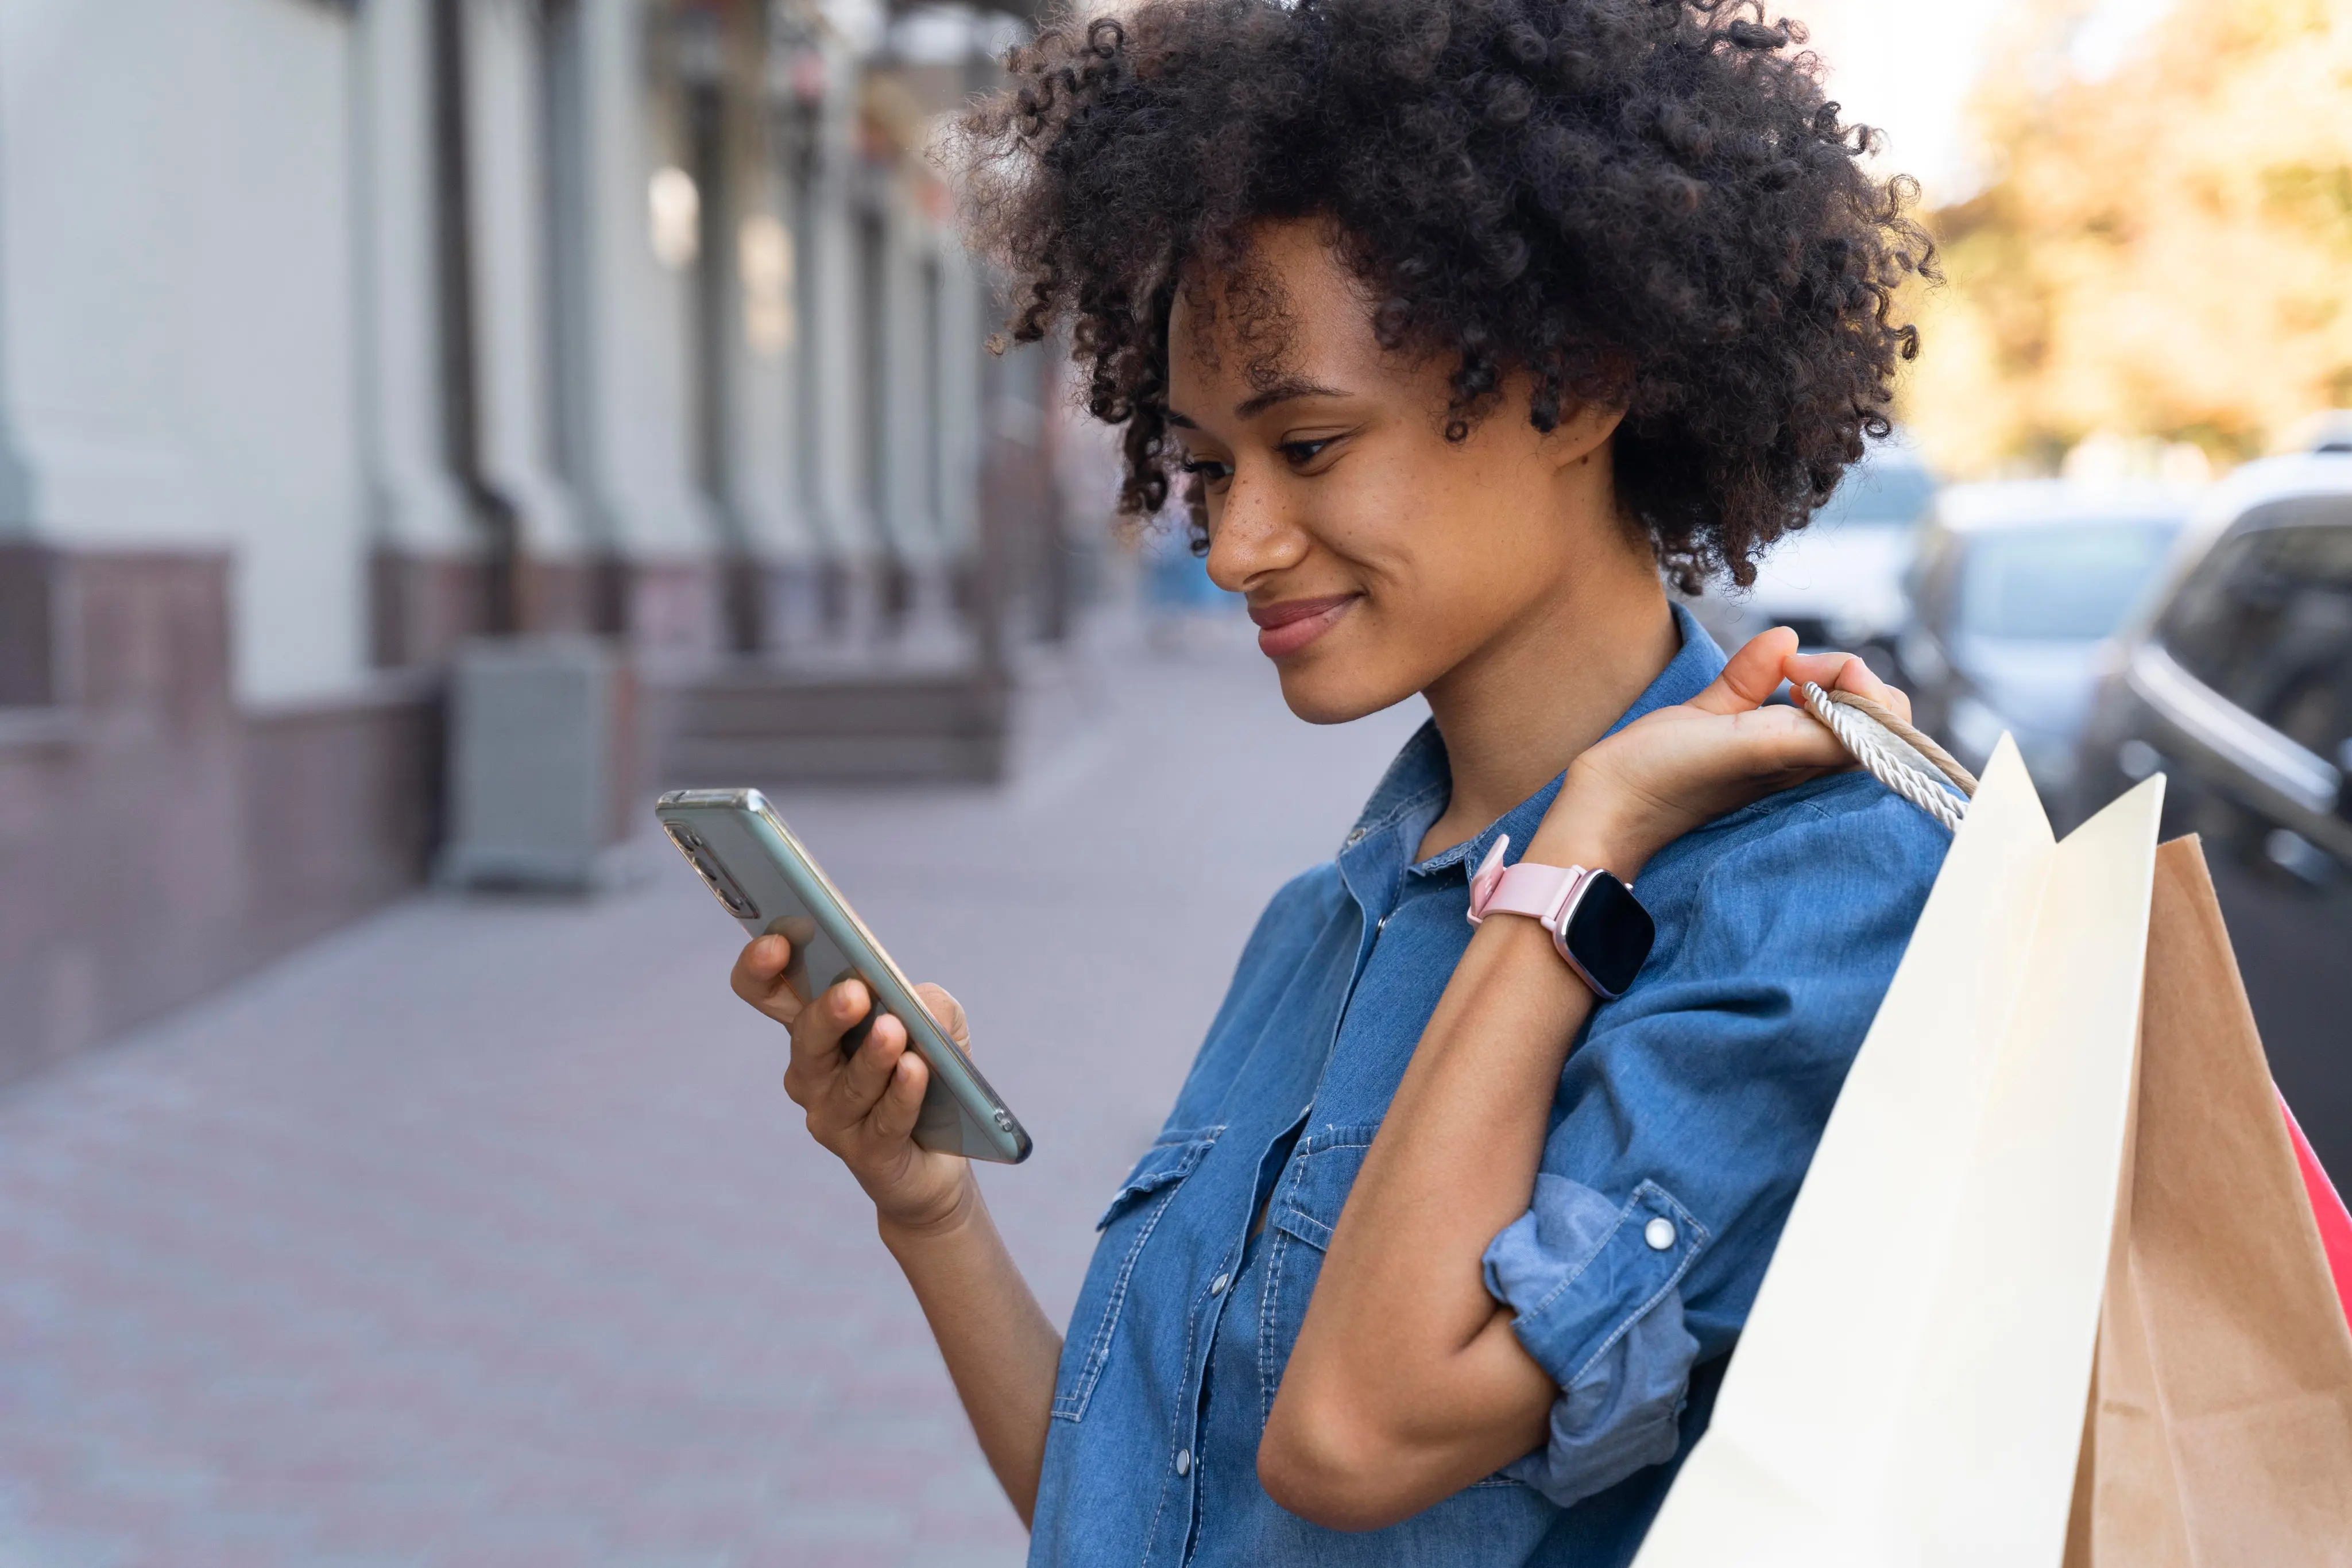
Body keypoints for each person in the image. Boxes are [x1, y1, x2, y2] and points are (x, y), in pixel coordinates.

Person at [730, 2, 1942, 1561]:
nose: (1233, 546)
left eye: (1306, 446)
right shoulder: (1328, 921)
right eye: (1212, 468)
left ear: (1576, 383)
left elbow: (1353, 1443)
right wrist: (927, 1207)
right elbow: (1149, 1519)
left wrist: (1586, 845)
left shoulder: (1814, 889)